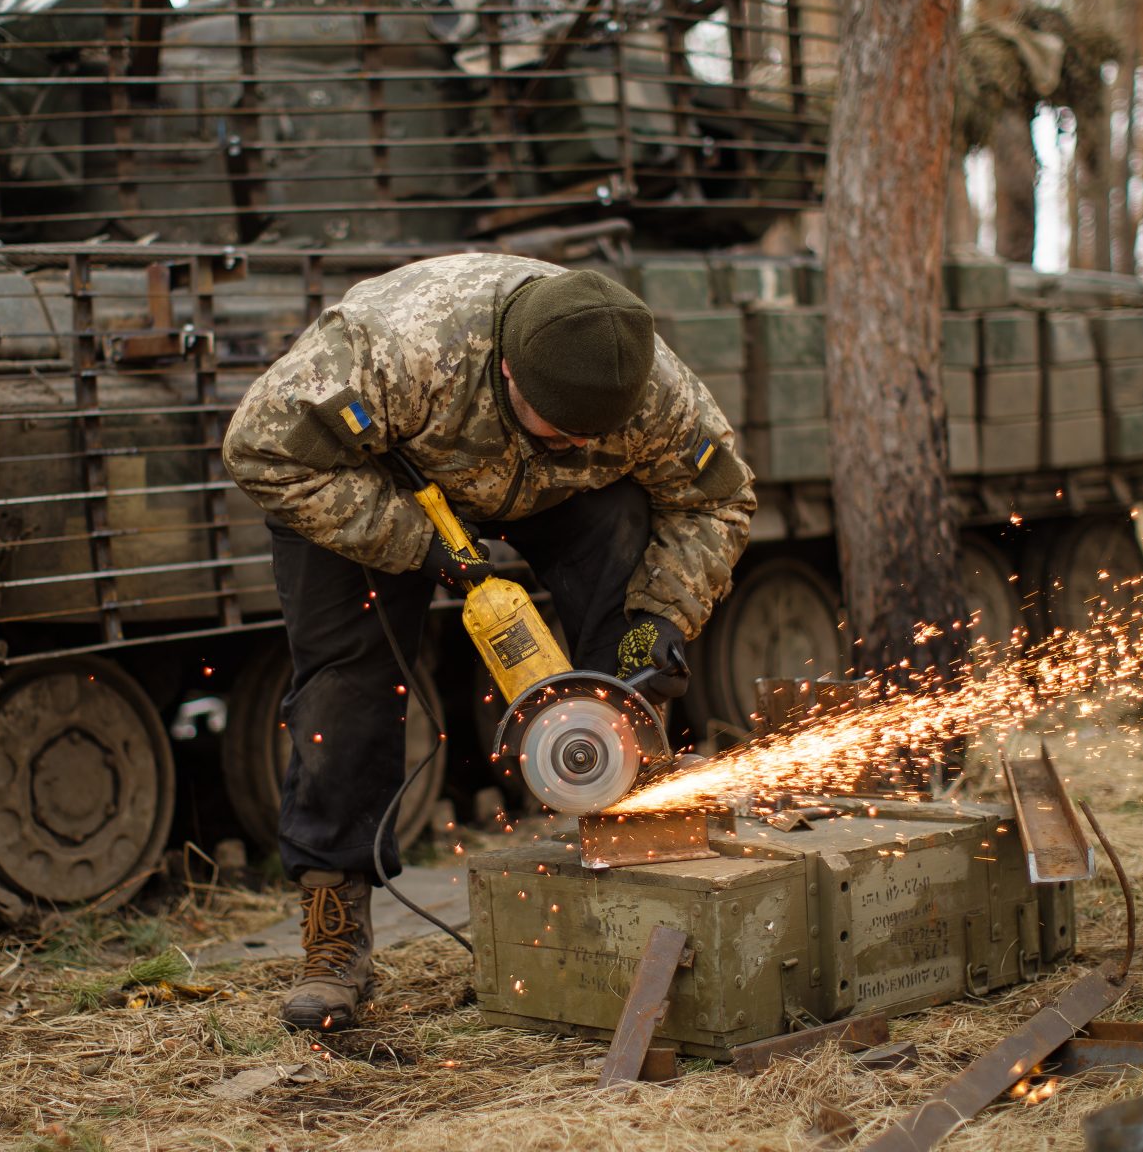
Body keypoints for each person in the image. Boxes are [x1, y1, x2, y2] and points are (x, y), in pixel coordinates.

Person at [221, 253, 755, 1031]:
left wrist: (663, 620)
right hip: (372, 483)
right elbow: (259, 449)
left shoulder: (655, 394)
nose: (576, 442)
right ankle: (334, 930)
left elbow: (718, 501)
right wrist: (418, 543)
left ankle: (636, 859)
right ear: (507, 372)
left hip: (550, 501)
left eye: (591, 436)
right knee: (350, 681)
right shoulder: (397, 350)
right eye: (561, 429)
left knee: (629, 578)